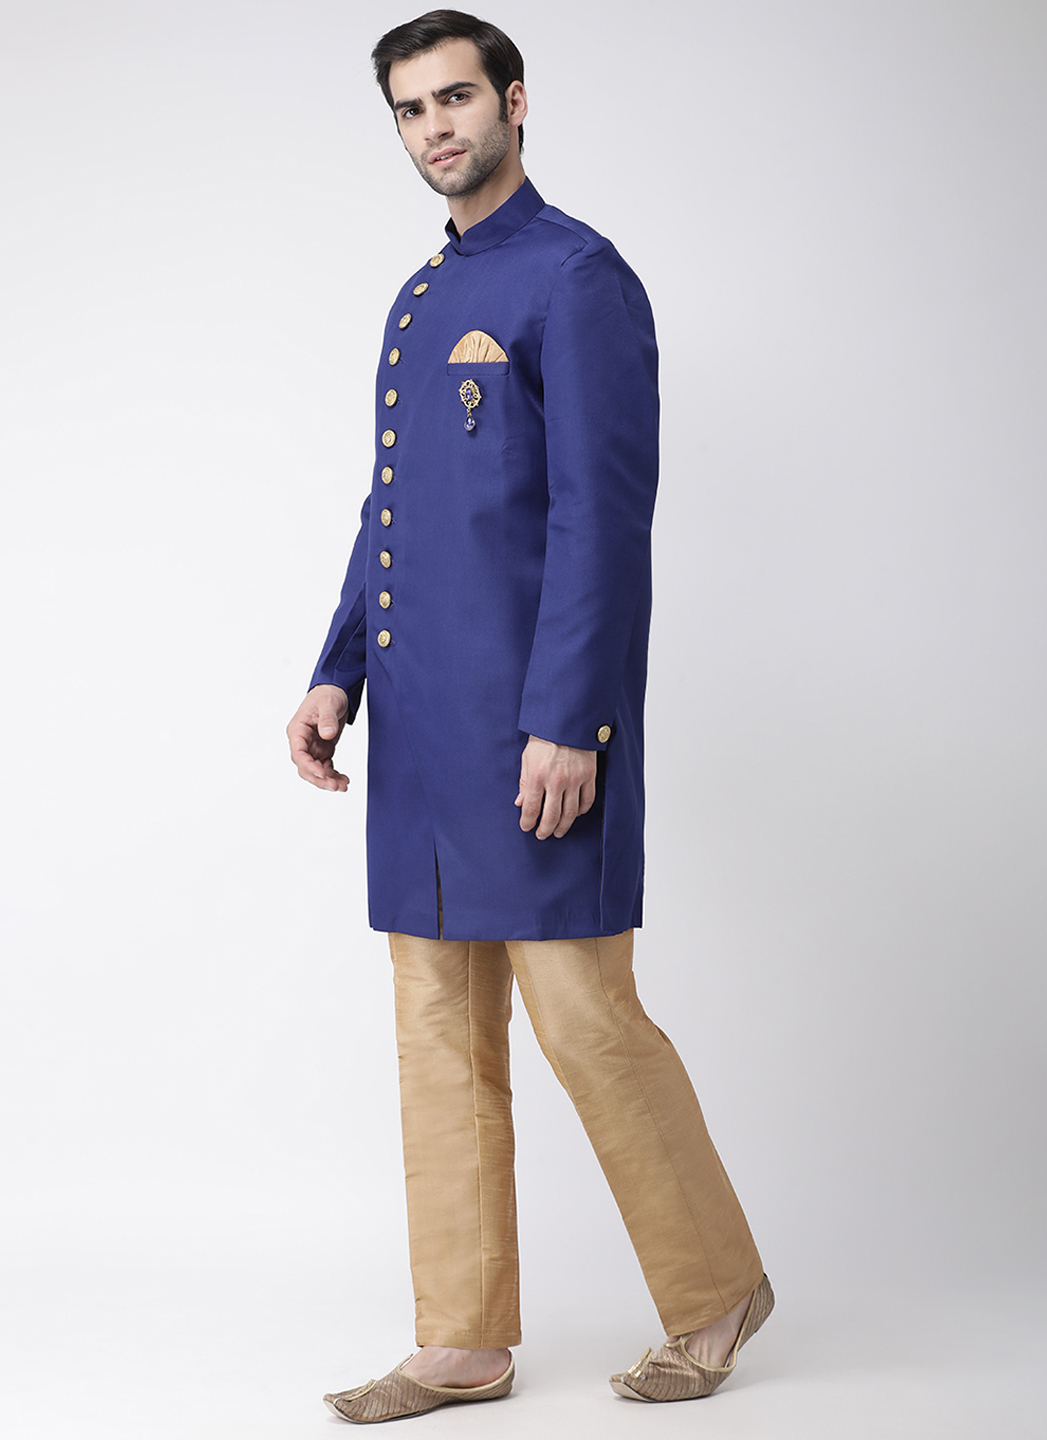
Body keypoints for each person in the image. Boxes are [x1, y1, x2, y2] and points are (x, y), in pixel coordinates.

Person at [285, 9, 772, 1423]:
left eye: (455, 98)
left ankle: (715, 1290)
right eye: (409, 109)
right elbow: (392, 510)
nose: (434, 127)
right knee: (434, 1031)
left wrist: (569, 721)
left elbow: (603, 521)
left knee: (584, 1020)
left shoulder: (579, 279)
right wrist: (336, 673)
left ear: (512, 100)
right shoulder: (418, 300)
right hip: (419, 738)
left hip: (535, 735)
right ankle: (460, 1340)